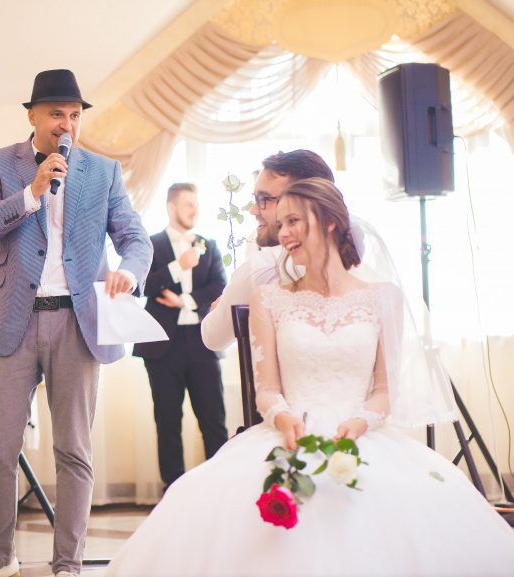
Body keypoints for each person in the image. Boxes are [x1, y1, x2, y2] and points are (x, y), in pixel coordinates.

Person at [105, 178, 514, 577]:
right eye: (280, 223)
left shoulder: (383, 298)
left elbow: (384, 391)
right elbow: (267, 389)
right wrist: (284, 418)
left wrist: (360, 423)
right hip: (286, 431)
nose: (283, 233)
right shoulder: (268, 299)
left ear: (330, 221)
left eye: (293, 221)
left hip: (362, 433)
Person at [0, 69, 152, 577]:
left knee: (74, 451)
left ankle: (67, 564)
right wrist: (32, 192)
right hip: (11, 321)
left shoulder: (103, 172)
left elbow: (135, 238)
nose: (66, 124)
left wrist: (131, 272)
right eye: (56, 114)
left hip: (77, 321)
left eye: (73, 115)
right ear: (32, 116)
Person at [133, 183, 228, 489]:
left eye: (197, 204)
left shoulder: (208, 244)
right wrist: (178, 267)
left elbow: (220, 286)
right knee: (168, 421)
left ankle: (220, 488)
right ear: (171, 207)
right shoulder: (150, 244)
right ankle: (173, 492)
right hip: (162, 346)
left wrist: (184, 301)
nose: (195, 210)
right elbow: (141, 285)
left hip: (203, 342)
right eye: (188, 204)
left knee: (213, 419)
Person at [201, 149, 335, 352]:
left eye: (264, 199)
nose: (253, 210)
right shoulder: (353, 254)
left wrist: (218, 308)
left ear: (306, 202)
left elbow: (213, 338)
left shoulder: (261, 267)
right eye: (255, 199)